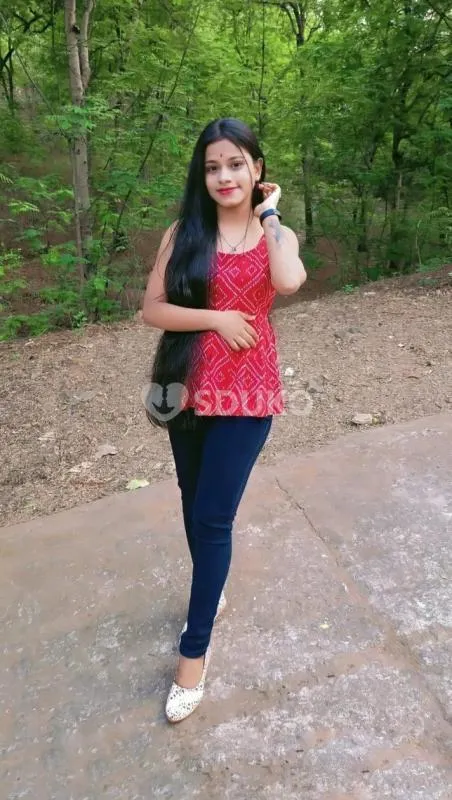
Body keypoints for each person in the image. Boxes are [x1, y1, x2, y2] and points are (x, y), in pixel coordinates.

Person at [142, 117, 306, 723]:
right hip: (186, 388)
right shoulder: (183, 232)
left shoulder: (277, 235)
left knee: (213, 517)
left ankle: (194, 652)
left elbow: (288, 282)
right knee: (193, 504)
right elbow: (153, 309)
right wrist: (215, 318)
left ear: (257, 169)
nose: (224, 176)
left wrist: (271, 216)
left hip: (248, 394)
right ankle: (211, 593)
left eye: (236, 164)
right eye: (212, 167)